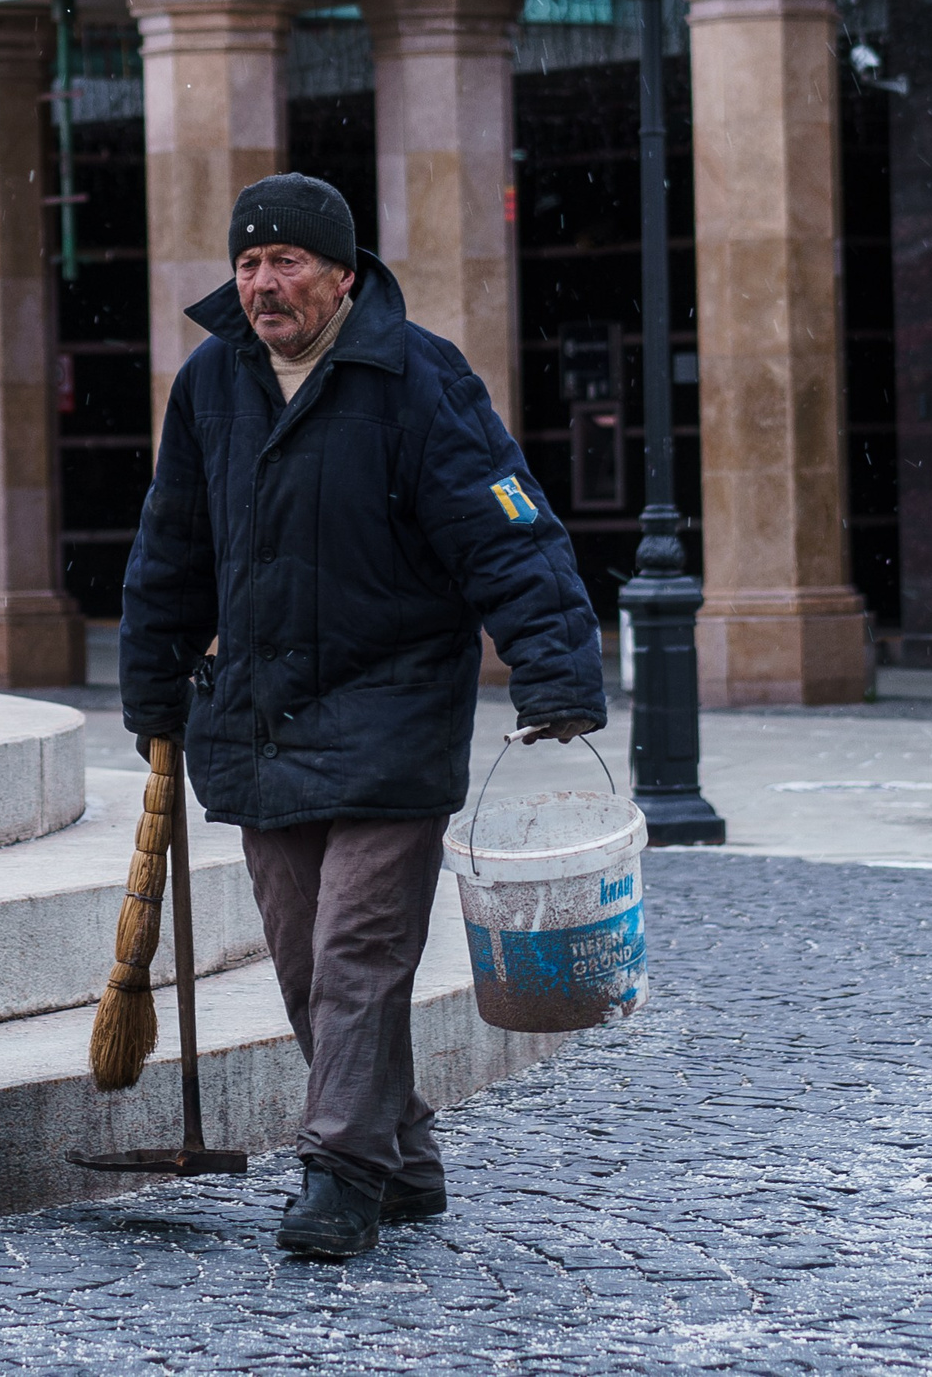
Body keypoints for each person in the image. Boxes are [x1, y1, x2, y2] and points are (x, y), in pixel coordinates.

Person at [119, 172, 605, 1258]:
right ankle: (404, 1153)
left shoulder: (416, 375)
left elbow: (506, 530)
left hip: (392, 711)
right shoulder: (210, 384)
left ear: (342, 275)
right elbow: (172, 544)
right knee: (300, 961)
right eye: (246, 264)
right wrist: (151, 678)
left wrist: (556, 670)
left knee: (356, 953)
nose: (261, 284)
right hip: (260, 716)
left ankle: (339, 1171)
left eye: (284, 262)